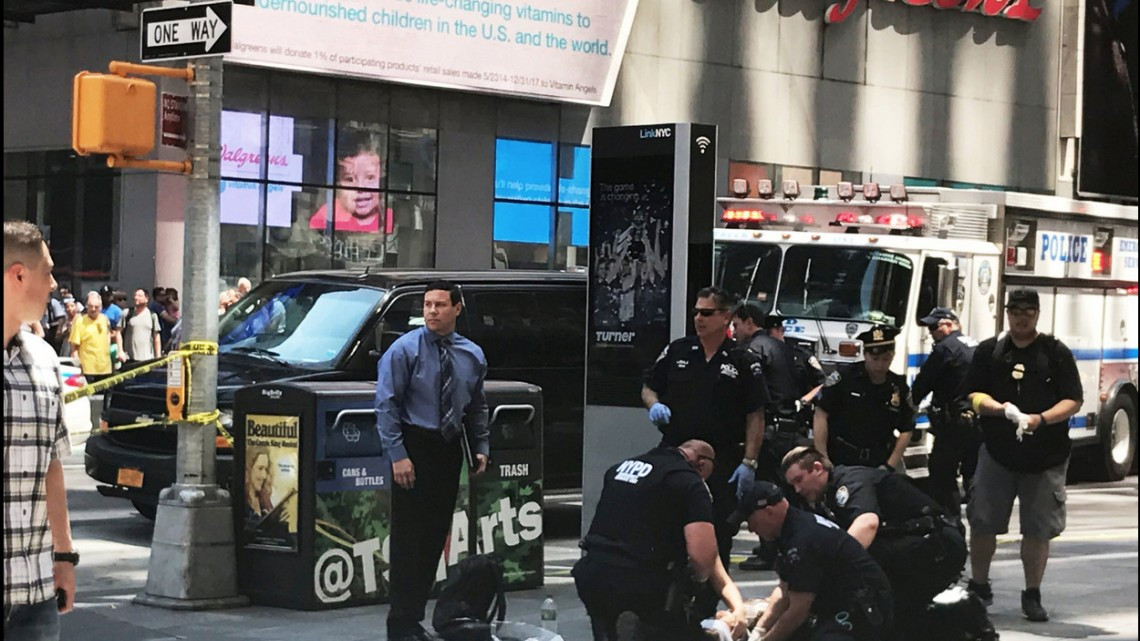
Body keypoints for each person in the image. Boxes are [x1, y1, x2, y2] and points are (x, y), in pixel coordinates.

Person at [375, 280, 490, 641]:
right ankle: (400, 622)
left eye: (440, 305)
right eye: (427, 305)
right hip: (415, 443)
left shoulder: (471, 354)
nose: (432, 312)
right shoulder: (404, 350)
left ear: (457, 309)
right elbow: (387, 405)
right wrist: (398, 456)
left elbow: (476, 405)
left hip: (447, 446)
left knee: (434, 537)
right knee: (410, 539)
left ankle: (415, 618)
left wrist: (481, 446)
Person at [963, 288, 1083, 622]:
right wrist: (999, 410)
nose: (1021, 316)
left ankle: (1032, 594)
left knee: (1037, 529)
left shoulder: (1055, 353)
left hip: (1046, 456)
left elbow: (1074, 399)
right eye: (1015, 310)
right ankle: (979, 586)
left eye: (1028, 310)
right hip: (997, 453)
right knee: (983, 521)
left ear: (1037, 314)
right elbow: (971, 394)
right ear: (1007, 312)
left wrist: (1040, 419)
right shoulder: (990, 351)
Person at [642, 286, 769, 575]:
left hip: (720, 459)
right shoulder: (679, 350)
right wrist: (654, 406)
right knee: (666, 522)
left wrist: (749, 461)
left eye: (707, 313)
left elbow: (756, 414)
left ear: (726, 317)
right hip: (676, 453)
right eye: (696, 312)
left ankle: (711, 602)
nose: (699, 318)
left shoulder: (742, 360)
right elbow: (649, 386)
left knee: (717, 529)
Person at [782, 446, 969, 639]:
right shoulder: (826, 496)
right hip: (916, 545)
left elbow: (867, 524)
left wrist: (829, 571)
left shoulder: (850, 482)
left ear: (818, 468)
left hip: (938, 544)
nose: (797, 489)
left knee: (873, 591)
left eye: (799, 480)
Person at [574, 440, 747, 641]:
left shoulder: (620, 469)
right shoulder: (689, 481)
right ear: (702, 463)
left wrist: (737, 606)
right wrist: (696, 583)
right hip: (641, 583)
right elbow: (703, 558)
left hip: (592, 575)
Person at [4, 220, 77, 639]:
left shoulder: (46, 360)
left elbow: (52, 464)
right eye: (47, 272)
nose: (52, 284)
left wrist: (64, 556)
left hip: (33, 593)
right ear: (18, 275)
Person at [730, 481, 894, 641]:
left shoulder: (803, 539)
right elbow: (785, 589)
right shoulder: (789, 529)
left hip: (862, 608)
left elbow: (799, 610)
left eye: (750, 520)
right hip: (835, 603)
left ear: (769, 511)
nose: (751, 528)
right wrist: (760, 630)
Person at [731, 305, 811, 572]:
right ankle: (784, 547)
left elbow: (751, 398)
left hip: (769, 430)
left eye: (736, 324)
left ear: (748, 322)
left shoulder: (751, 351)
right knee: (789, 493)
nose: (734, 331)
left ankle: (769, 552)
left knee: (765, 495)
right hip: (792, 428)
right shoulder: (785, 347)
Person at [813, 325, 914, 469]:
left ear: (893, 355)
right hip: (841, 458)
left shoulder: (898, 386)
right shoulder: (845, 378)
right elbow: (821, 414)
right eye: (875, 358)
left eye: (886, 359)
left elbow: (907, 428)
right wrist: (823, 457)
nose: (880, 364)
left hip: (880, 461)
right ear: (865, 355)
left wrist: (890, 465)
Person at [913, 307, 980, 514]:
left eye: (934, 327)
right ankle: (980, 517)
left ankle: (950, 521)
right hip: (977, 421)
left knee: (942, 473)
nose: (930, 332)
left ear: (949, 325)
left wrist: (910, 404)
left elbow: (924, 382)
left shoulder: (945, 349)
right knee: (973, 472)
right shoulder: (974, 346)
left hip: (952, 424)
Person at [310, 132, 383, 232]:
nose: (361, 188)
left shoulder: (389, 217)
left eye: (370, 177)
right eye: (350, 179)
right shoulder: (325, 217)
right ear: (337, 183)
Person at [69, 292, 113, 383]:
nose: (93, 309)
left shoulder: (105, 319)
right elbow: (74, 347)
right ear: (86, 306)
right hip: (87, 369)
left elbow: (108, 335)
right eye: (90, 306)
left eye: (96, 307)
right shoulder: (79, 322)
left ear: (100, 307)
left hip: (105, 368)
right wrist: (78, 365)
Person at [120, 289, 162, 363]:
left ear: (146, 299)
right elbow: (118, 332)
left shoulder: (152, 316)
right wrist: (120, 351)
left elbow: (156, 337)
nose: (136, 298)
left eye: (139, 296)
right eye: (135, 295)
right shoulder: (127, 313)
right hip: (129, 359)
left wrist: (158, 357)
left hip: (147, 359)